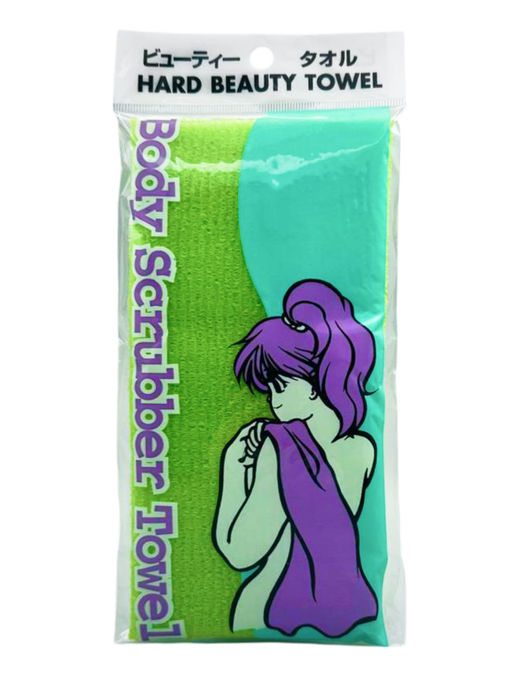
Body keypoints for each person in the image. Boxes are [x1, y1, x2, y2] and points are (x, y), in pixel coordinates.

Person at [213, 279, 378, 637]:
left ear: (316, 382)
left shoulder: (283, 446)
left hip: (265, 608)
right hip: (333, 609)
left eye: (280, 386)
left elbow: (240, 552)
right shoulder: (363, 449)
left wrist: (234, 465)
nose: (274, 401)